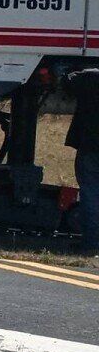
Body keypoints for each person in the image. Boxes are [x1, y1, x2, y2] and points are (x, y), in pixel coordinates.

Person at [67, 65, 99, 254]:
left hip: (91, 146)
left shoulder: (91, 77)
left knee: (91, 194)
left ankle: (92, 243)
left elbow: (68, 81)